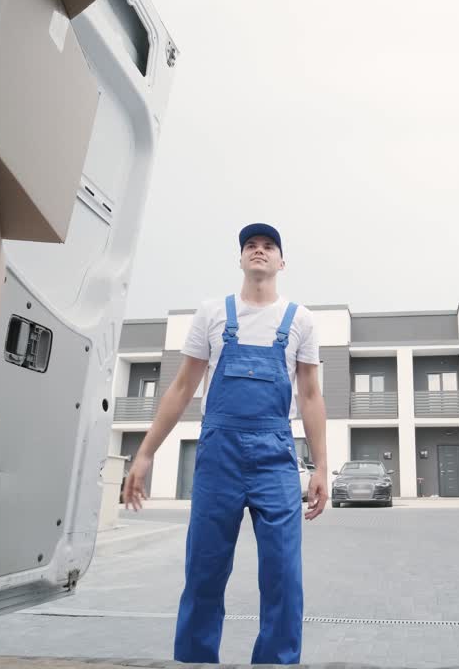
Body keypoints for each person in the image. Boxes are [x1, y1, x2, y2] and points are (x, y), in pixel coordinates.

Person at [122, 222, 329, 665]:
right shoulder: (213, 314)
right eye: (250, 246)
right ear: (240, 259)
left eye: (268, 246)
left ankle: (276, 661)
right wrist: (145, 453)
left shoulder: (300, 319)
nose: (259, 251)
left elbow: (310, 396)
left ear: (281, 262)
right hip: (219, 455)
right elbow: (181, 387)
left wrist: (321, 468)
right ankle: (195, 660)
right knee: (204, 571)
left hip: (276, 455)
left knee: (283, 574)